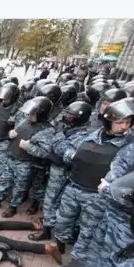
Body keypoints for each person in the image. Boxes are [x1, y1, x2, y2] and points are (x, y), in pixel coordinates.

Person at [53, 98, 134, 267]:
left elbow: (121, 174)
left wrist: (109, 183)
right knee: (62, 222)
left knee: (87, 233)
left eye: (128, 122)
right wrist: (74, 155)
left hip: (96, 196)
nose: (124, 126)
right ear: (109, 121)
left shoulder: (130, 146)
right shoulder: (91, 134)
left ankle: (75, 266)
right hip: (74, 186)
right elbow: (67, 151)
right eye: (120, 122)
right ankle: (59, 246)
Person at [0, 96, 56, 217]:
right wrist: (10, 134)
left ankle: (13, 207)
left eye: (32, 114)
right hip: (12, 157)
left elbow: (46, 152)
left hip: (26, 162)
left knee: (19, 186)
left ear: (41, 114)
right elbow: (17, 131)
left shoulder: (47, 130)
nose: (29, 115)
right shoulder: (26, 120)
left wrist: (29, 147)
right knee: (4, 180)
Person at [29, 101, 92, 241]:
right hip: (58, 169)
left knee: (52, 201)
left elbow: (61, 150)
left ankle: (47, 231)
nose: (67, 117)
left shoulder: (82, 135)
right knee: (55, 202)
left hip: (63, 172)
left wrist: (58, 134)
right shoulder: (71, 129)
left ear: (80, 118)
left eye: (71, 115)